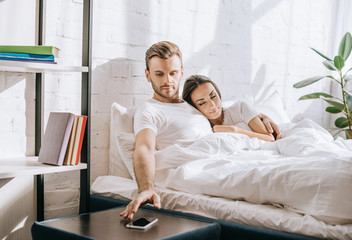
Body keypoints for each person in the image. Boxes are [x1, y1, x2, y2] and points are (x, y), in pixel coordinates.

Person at [120, 41, 280, 220]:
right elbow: (144, 148)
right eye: (159, 74)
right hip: (202, 167)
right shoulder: (149, 111)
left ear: (181, 73)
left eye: (173, 73)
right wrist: (146, 188)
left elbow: (224, 108)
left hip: (230, 157)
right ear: (148, 75)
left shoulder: (192, 104)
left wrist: (261, 115)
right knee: (279, 180)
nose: (167, 81)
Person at [182, 75, 276, 142]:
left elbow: (270, 138)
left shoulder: (240, 108)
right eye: (202, 103)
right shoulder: (200, 128)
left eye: (213, 96)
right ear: (194, 107)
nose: (212, 105)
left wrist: (235, 131)